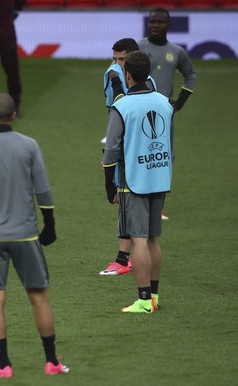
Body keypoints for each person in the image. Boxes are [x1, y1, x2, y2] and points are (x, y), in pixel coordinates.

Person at [0, 93, 69, 377]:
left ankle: (4, 365)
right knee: (39, 298)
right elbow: (42, 189)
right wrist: (50, 224)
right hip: (25, 235)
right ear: (14, 115)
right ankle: (51, 362)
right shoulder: (28, 146)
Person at [102, 51, 174, 313]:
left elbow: (111, 151)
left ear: (127, 75)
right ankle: (154, 297)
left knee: (138, 239)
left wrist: (110, 185)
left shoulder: (122, 106)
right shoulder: (165, 102)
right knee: (153, 238)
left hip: (134, 179)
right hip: (160, 175)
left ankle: (144, 301)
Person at [99, 38, 157, 276]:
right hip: (137, 148)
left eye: (121, 59)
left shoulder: (139, 82)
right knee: (131, 202)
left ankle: (124, 260)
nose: (116, 64)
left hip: (131, 150)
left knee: (125, 200)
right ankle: (129, 257)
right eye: (114, 59)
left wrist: (111, 157)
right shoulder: (139, 80)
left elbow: (125, 108)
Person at [138, 7, 197, 220]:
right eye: (151, 21)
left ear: (168, 25)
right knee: (138, 156)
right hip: (138, 112)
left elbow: (190, 76)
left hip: (163, 115)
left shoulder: (177, 52)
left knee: (162, 158)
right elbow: (121, 72)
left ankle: (158, 207)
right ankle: (136, 201)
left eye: (159, 22)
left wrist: (179, 103)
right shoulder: (138, 47)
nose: (154, 25)